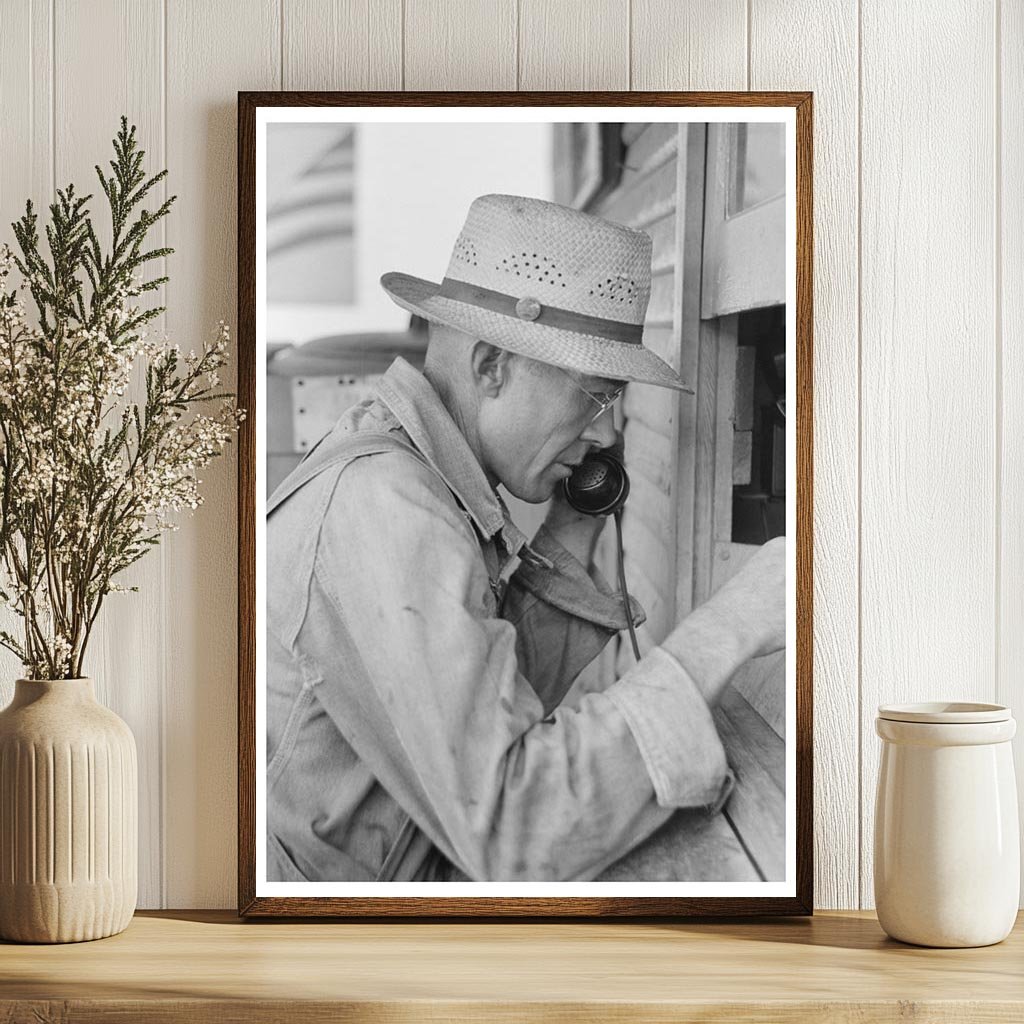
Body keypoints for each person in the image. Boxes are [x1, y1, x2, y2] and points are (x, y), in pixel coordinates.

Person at [266, 193, 786, 883]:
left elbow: (484, 709)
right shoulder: (388, 508)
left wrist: (571, 529)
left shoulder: (417, 472)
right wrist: (734, 624)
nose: (607, 434)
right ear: (491, 367)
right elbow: (519, 826)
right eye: (595, 395)